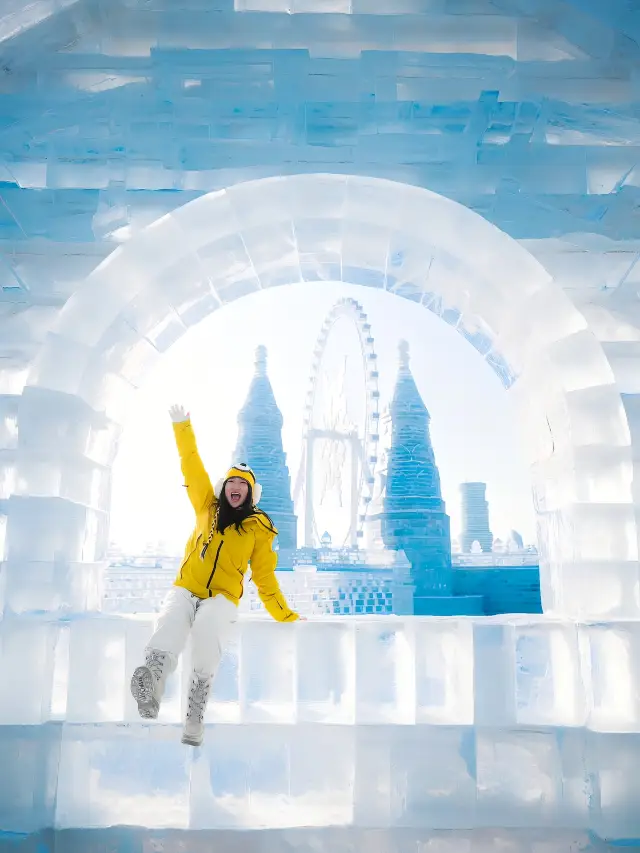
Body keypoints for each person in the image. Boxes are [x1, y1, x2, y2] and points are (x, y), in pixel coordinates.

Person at [130, 404, 302, 747]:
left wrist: (286, 614)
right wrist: (182, 426)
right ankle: (150, 688)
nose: (236, 487)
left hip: (222, 597)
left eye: (244, 484)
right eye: (231, 482)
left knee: (208, 633)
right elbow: (191, 464)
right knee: (170, 623)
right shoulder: (205, 507)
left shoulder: (258, 529)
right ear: (223, 488)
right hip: (186, 587)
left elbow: (265, 578)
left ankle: (195, 717)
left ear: (251, 494)